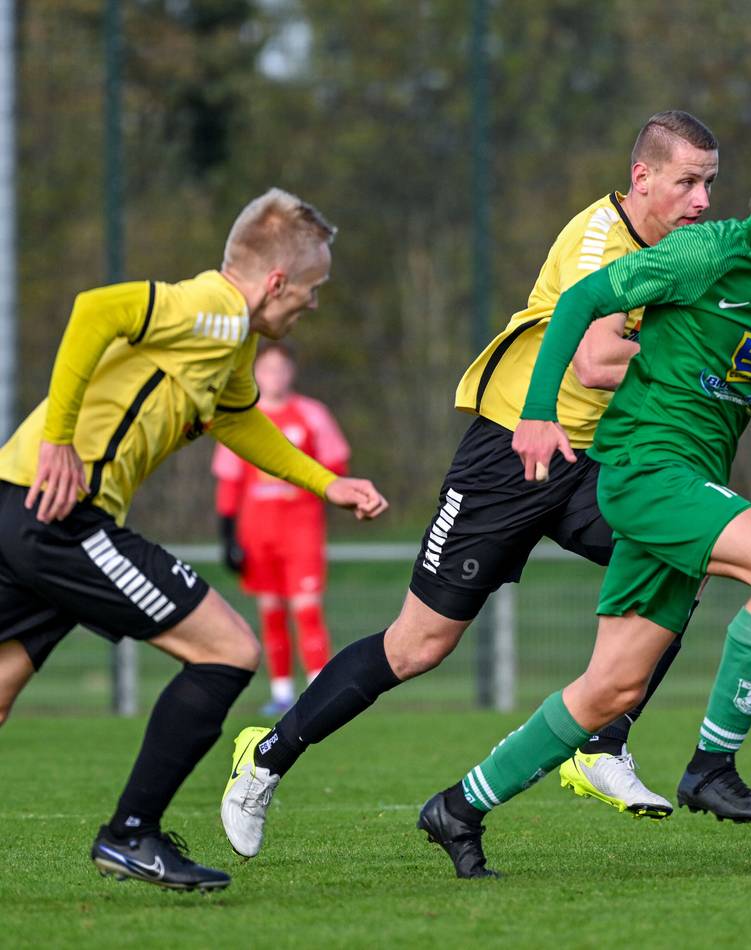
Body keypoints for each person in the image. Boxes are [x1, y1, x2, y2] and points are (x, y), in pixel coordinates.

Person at [220, 111, 721, 860]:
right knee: (418, 646)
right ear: (642, 177)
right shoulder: (599, 242)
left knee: (688, 554)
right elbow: (592, 362)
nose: (703, 200)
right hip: (509, 452)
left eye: (711, 183)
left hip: (595, 461)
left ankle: (602, 744)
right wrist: (700, 368)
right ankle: (265, 758)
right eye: (688, 181)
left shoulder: (682, 248)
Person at [416, 117, 751, 878]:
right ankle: (710, 767)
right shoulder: (702, 253)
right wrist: (536, 413)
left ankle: (458, 808)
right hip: (642, 468)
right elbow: (578, 305)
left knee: (611, 689)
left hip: (693, 475)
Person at [0, 188, 388, 891]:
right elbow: (96, 309)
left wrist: (325, 483)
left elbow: (237, 421)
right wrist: (59, 439)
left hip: (19, 506)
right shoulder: (209, 309)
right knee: (229, 650)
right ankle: (131, 834)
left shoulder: (230, 343)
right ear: (274, 283)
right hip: (63, 515)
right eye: (311, 288)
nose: (313, 304)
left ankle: (132, 834)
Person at [212, 339, 350, 716]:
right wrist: (227, 537)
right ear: (256, 373)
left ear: (292, 373)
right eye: (267, 369)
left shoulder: (312, 414)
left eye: (281, 369)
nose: (275, 376)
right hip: (258, 532)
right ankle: (282, 693)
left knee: (306, 610)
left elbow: (336, 465)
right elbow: (229, 480)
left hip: (301, 528)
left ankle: (321, 692)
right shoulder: (242, 417)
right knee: (271, 613)